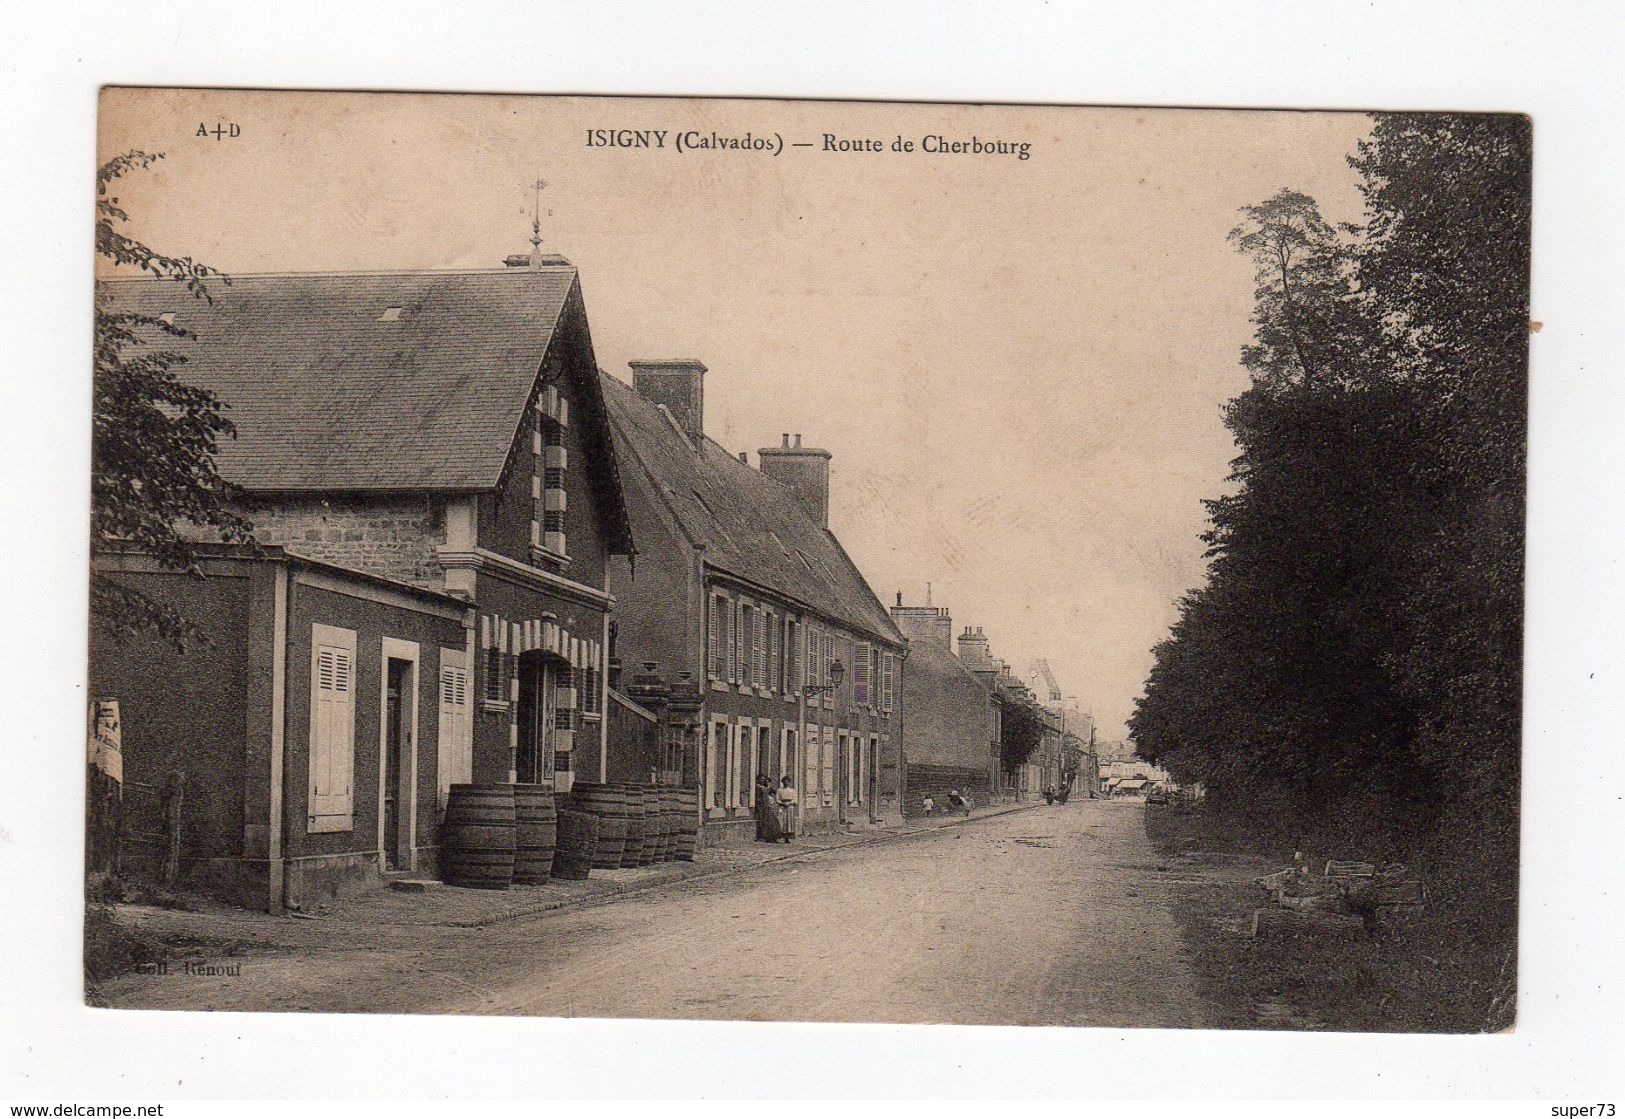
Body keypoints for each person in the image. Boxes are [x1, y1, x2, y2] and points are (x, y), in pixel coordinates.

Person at [753, 773, 784, 842]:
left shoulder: (765, 788)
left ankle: (773, 837)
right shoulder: (758, 787)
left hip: (767, 807)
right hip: (762, 807)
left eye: (764, 780)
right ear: (758, 780)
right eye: (761, 779)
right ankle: (765, 837)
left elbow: (775, 791)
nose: (762, 781)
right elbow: (758, 798)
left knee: (773, 821)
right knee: (765, 822)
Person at [775, 775, 798, 842]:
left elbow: (795, 799)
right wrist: (782, 803)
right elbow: (777, 799)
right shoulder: (779, 790)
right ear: (782, 782)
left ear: (789, 782)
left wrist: (790, 803)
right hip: (782, 807)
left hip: (790, 807)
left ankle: (787, 838)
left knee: (789, 821)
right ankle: (780, 835)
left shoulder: (792, 790)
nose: (786, 783)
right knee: (781, 821)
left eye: (787, 782)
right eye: (784, 782)